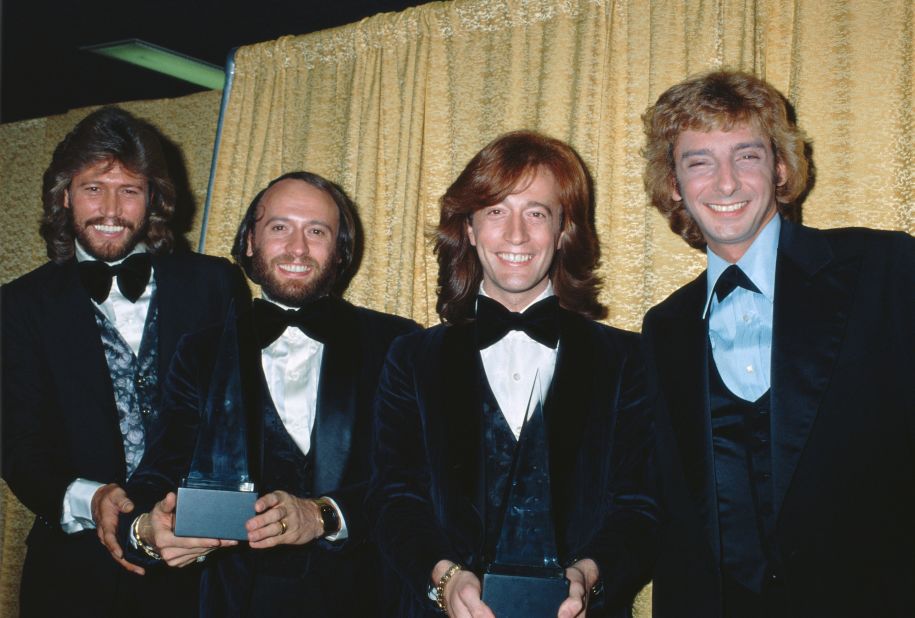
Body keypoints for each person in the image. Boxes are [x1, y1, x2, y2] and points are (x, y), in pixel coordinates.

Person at [640, 70, 915, 617]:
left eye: (746, 156)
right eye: (699, 161)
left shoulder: (886, 270)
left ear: (781, 167)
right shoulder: (662, 328)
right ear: (673, 184)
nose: (725, 184)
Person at [367, 130, 657, 618]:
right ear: (471, 229)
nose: (517, 234)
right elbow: (393, 499)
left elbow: (643, 504)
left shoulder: (628, 358)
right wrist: (445, 579)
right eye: (497, 211)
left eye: (536, 213)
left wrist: (590, 576)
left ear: (564, 230)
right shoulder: (411, 358)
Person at [105, 171, 420, 617]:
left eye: (316, 231)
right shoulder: (200, 352)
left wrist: (325, 515)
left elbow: (414, 484)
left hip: (369, 600)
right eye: (279, 228)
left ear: (341, 249)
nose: (297, 248)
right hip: (237, 603)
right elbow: (159, 471)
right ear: (250, 242)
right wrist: (145, 530)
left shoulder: (398, 345)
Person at [0, 106, 249, 617]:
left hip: (201, 569)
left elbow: (237, 419)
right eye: (94, 188)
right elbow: (19, 445)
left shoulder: (213, 283)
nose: (110, 209)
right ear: (65, 195)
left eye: (130, 190)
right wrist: (90, 500)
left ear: (153, 199)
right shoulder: (18, 306)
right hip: (74, 577)